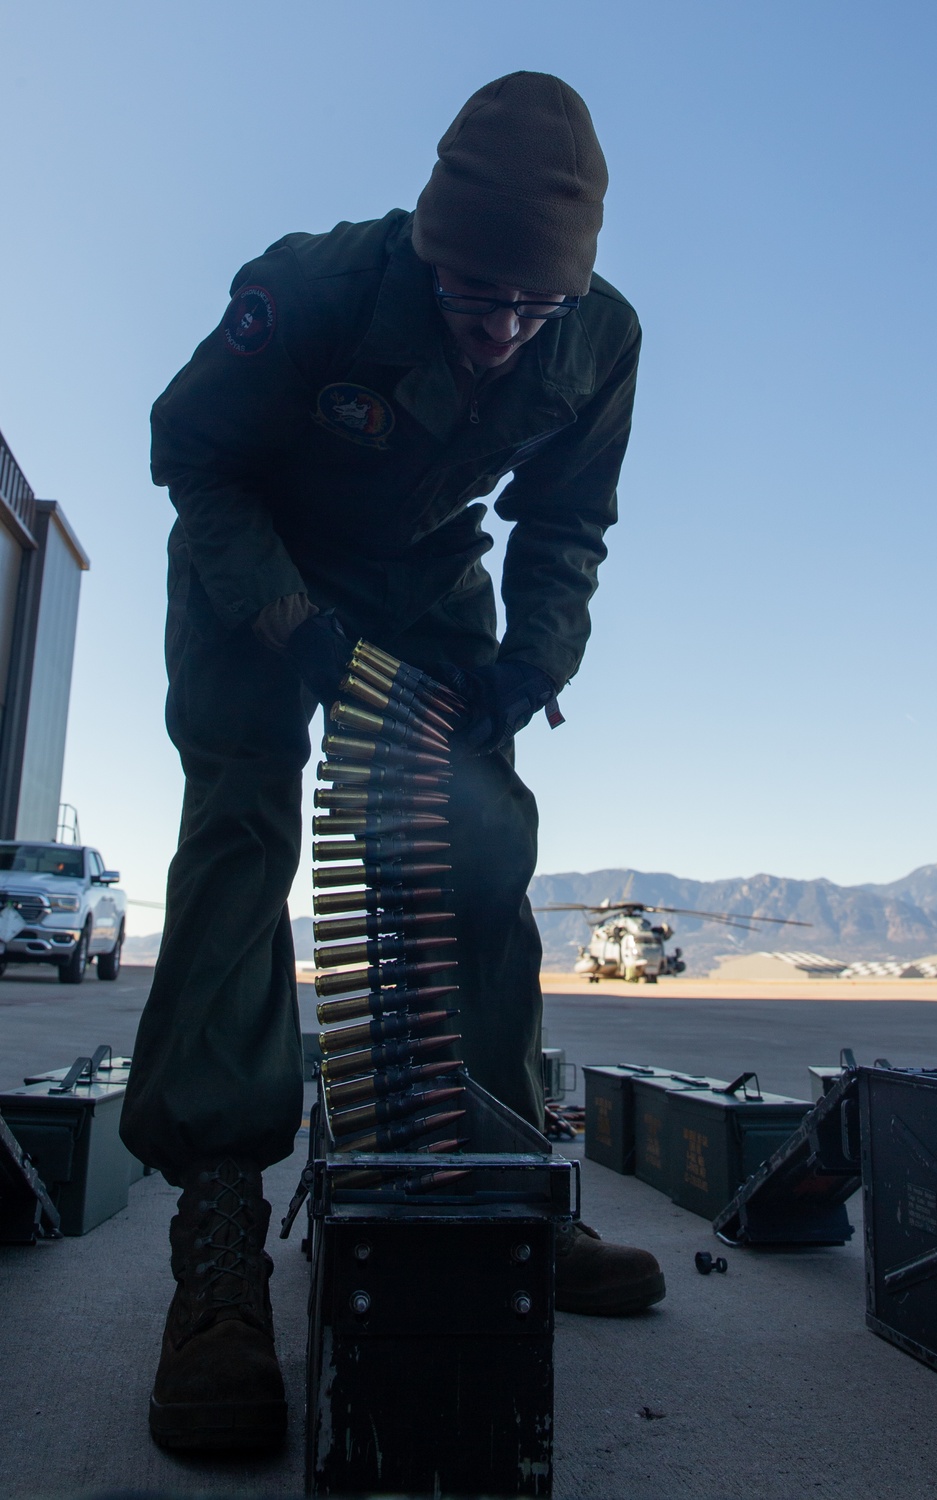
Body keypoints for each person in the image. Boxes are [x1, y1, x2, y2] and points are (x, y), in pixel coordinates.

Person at [120, 71, 665, 1452]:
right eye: (473, 297)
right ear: (429, 247)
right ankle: (223, 1233)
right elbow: (192, 456)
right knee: (243, 839)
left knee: (478, 837)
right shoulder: (312, 288)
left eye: (529, 309)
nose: (499, 336)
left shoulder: (598, 340)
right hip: (258, 571)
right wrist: (294, 627)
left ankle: (486, 1185)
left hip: (422, 579)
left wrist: (536, 660)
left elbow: (565, 523)